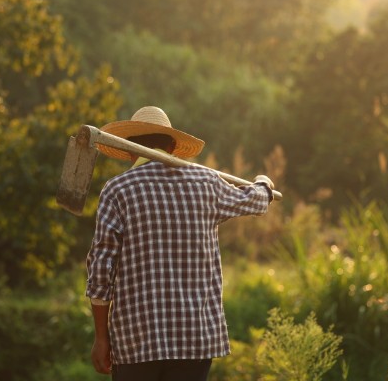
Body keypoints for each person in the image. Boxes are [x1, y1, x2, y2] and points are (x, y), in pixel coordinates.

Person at [86, 106, 274, 381]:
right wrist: (264, 183)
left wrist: (101, 338)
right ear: (173, 147)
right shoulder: (207, 182)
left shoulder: (118, 190)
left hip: (136, 340)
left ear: (128, 149)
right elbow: (257, 200)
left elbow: (101, 270)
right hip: (194, 340)